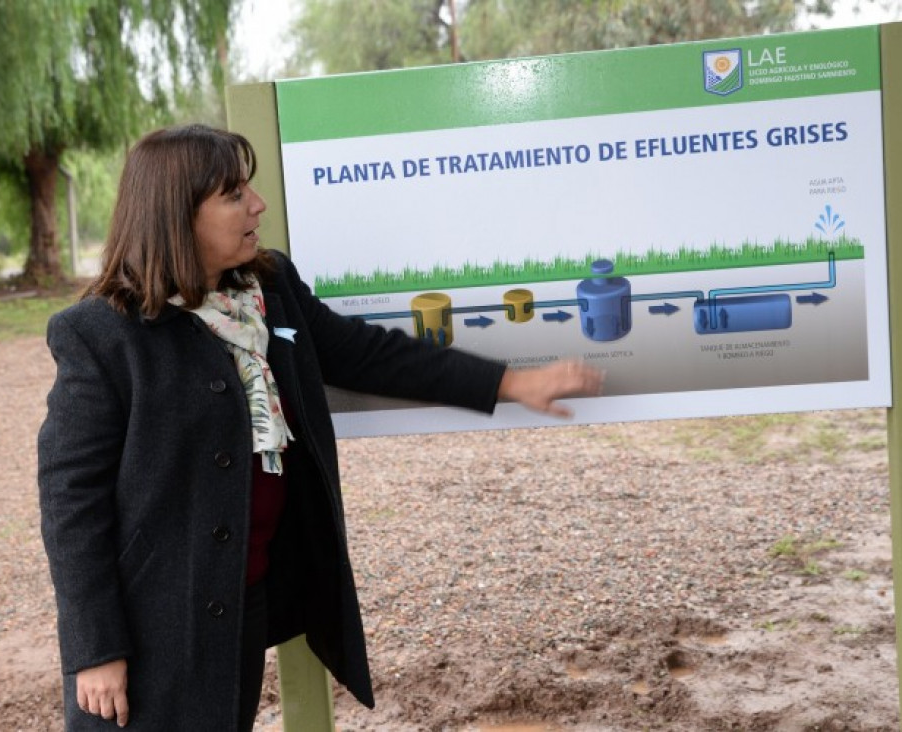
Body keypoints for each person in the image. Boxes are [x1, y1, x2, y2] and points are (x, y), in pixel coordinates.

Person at [37, 123, 603, 730]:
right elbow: (72, 502)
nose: (256, 204)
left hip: (240, 601)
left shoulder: (270, 289)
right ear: (177, 214)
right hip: (150, 629)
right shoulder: (101, 334)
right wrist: (97, 648)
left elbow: (369, 354)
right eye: (233, 194)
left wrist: (510, 383)